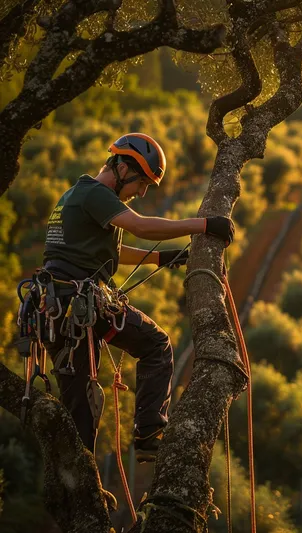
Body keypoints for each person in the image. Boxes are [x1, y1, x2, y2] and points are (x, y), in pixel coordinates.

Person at [40, 133, 235, 465]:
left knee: (82, 412)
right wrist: (205, 225)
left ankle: (81, 487)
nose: (142, 192)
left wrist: (162, 259)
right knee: (156, 345)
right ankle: (148, 434)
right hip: (77, 304)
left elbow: (112, 253)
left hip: (59, 311)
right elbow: (141, 227)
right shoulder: (95, 193)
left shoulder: (77, 195)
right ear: (120, 166)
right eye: (141, 182)